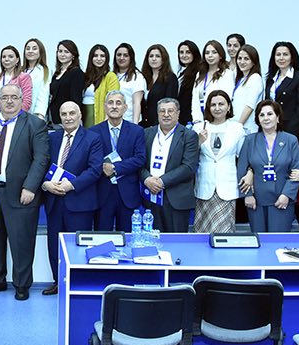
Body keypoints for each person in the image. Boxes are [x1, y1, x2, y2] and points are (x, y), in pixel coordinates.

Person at [0, 83, 49, 300]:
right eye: (4, 97)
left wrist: (30, 187)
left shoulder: (35, 124)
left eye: (14, 97)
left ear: (22, 100)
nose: (9, 101)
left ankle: (22, 284)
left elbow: (41, 159)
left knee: (21, 241)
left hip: (21, 194)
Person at [42, 101, 103, 295]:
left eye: (72, 113)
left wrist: (72, 184)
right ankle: (58, 282)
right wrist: (45, 184)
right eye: (64, 114)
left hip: (79, 201)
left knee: (78, 246)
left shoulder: (93, 138)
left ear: (80, 115)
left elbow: (95, 170)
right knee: (55, 245)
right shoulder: (52, 138)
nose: (68, 118)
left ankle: (77, 284)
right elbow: (42, 164)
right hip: (54, 200)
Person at [236, 100, 299, 233]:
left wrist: (287, 195)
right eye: (262, 115)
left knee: (278, 241)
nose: (266, 118)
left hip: (282, 200)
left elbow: (296, 171)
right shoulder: (250, 140)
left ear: (278, 117)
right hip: (256, 201)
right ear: (258, 120)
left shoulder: (291, 140)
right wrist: (247, 195)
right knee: (259, 240)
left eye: (270, 114)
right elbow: (241, 169)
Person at [140, 98, 199, 233]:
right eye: (162, 111)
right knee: (153, 240)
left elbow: (188, 167)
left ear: (178, 113)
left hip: (176, 200)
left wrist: (161, 181)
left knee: (176, 241)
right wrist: (147, 179)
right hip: (151, 198)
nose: (166, 114)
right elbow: (139, 162)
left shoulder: (189, 136)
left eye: (170, 111)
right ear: (157, 114)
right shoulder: (146, 133)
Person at [92, 90, 146, 231]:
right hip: (103, 192)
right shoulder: (93, 132)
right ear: (105, 106)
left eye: (118, 103)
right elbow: (91, 160)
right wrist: (102, 167)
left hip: (128, 193)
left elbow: (140, 158)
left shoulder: (137, 131)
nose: (114, 106)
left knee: (127, 238)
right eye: (110, 103)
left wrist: (115, 168)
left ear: (125, 107)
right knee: (102, 238)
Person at [193, 90, 245, 233]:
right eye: (213, 105)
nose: (217, 108)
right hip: (205, 185)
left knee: (224, 233)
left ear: (229, 106)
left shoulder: (237, 128)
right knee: (203, 232)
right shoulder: (199, 128)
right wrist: (198, 142)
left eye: (221, 104)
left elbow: (243, 157)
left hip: (227, 186)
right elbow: (189, 157)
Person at [264, 41, 299, 138]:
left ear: (292, 57)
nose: (281, 58)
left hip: (291, 129)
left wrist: (290, 132)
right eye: (278, 55)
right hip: (271, 128)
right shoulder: (271, 78)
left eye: (285, 54)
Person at [191, 40, 236, 123]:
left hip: (219, 120)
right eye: (207, 53)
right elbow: (195, 100)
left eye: (214, 52)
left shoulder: (227, 74)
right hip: (200, 121)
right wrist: (197, 120)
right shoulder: (200, 74)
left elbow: (226, 99)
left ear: (220, 56)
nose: (210, 55)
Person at [139, 44, 178, 128]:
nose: (154, 59)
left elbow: (170, 103)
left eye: (157, 56)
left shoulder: (170, 78)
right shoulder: (142, 77)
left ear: (164, 59)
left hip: (161, 125)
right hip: (143, 124)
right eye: (151, 56)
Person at [48, 40, 84, 128]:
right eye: (60, 51)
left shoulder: (76, 72)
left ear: (73, 55)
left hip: (68, 120)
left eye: (66, 52)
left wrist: (72, 117)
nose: (62, 54)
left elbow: (76, 99)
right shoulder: (56, 74)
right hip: (55, 119)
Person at [81, 44, 117, 126]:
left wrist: (106, 121)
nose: (99, 59)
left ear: (107, 58)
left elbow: (113, 100)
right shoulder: (85, 76)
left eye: (102, 56)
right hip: (84, 116)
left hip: (100, 118)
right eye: (95, 56)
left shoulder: (110, 76)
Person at [232, 44, 264, 134]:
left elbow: (249, 106)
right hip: (237, 125)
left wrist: (239, 125)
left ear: (253, 62)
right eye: (239, 58)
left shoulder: (255, 78)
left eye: (246, 59)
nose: (242, 62)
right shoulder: (242, 79)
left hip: (246, 128)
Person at [112, 43, 145, 125]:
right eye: (119, 55)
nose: (121, 58)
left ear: (131, 58)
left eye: (125, 55)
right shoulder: (111, 75)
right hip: (113, 122)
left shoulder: (137, 76)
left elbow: (136, 103)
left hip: (129, 121)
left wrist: (135, 125)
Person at [0, 45, 32, 111]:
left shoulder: (24, 77)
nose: (6, 59)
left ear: (17, 60)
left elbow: (27, 102)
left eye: (10, 56)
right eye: (4, 57)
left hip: (16, 115)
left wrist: (14, 114)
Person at [23, 38, 51, 120]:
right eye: (28, 49)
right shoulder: (20, 71)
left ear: (40, 52)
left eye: (34, 49)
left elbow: (44, 94)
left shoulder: (45, 71)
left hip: (35, 115)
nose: (30, 51)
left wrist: (40, 115)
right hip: (19, 114)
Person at [176, 40, 202, 125]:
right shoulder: (181, 73)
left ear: (194, 54)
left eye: (188, 52)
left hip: (191, 118)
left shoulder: (199, 72)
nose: (184, 55)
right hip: (181, 117)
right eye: (181, 52)